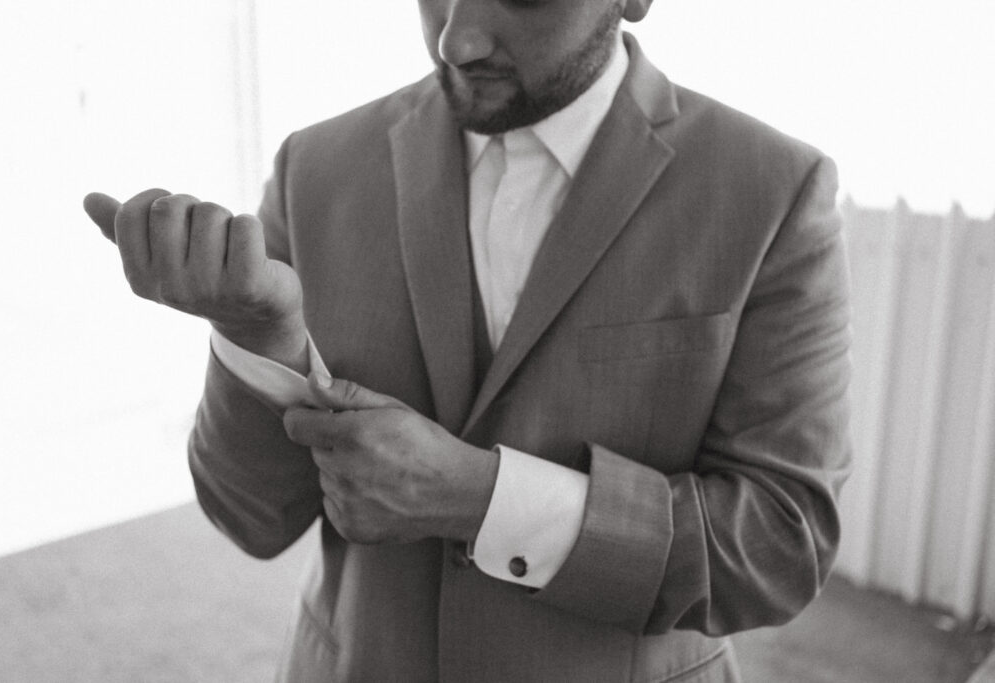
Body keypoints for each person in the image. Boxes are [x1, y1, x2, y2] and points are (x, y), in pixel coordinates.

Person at [84, 1, 852, 680]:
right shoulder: (313, 170)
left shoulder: (773, 193)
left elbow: (781, 547)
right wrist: (260, 337)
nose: (455, 39)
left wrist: (477, 497)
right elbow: (249, 518)